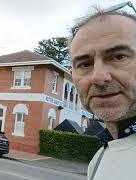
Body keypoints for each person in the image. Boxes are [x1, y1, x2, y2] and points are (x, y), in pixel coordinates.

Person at [69, 9, 136, 180]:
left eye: (118, 57)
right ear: (73, 77)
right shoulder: (98, 160)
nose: (98, 77)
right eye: (84, 64)